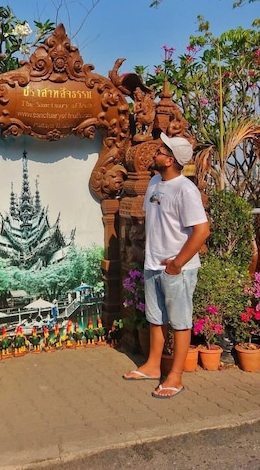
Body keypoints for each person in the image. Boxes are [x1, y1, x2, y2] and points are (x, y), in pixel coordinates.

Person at [123, 133, 210, 399]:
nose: (155, 153)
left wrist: (178, 263)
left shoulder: (186, 189)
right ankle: (152, 365)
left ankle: (175, 376)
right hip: (153, 263)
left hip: (177, 268)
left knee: (180, 322)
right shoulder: (154, 182)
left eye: (161, 150)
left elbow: (202, 230)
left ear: (170, 159)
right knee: (155, 317)